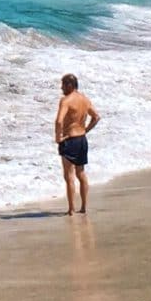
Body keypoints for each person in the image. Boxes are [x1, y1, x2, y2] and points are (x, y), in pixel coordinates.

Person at [54, 72, 100, 216]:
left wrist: (58, 137)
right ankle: (84, 206)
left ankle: (71, 209)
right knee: (81, 173)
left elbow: (59, 121)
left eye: (63, 85)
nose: (61, 88)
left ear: (70, 85)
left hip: (69, 140)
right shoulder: (84, 99)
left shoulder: (66, 100)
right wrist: (85, 130)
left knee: (69, 176)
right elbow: (96, 117)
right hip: (81, 140)